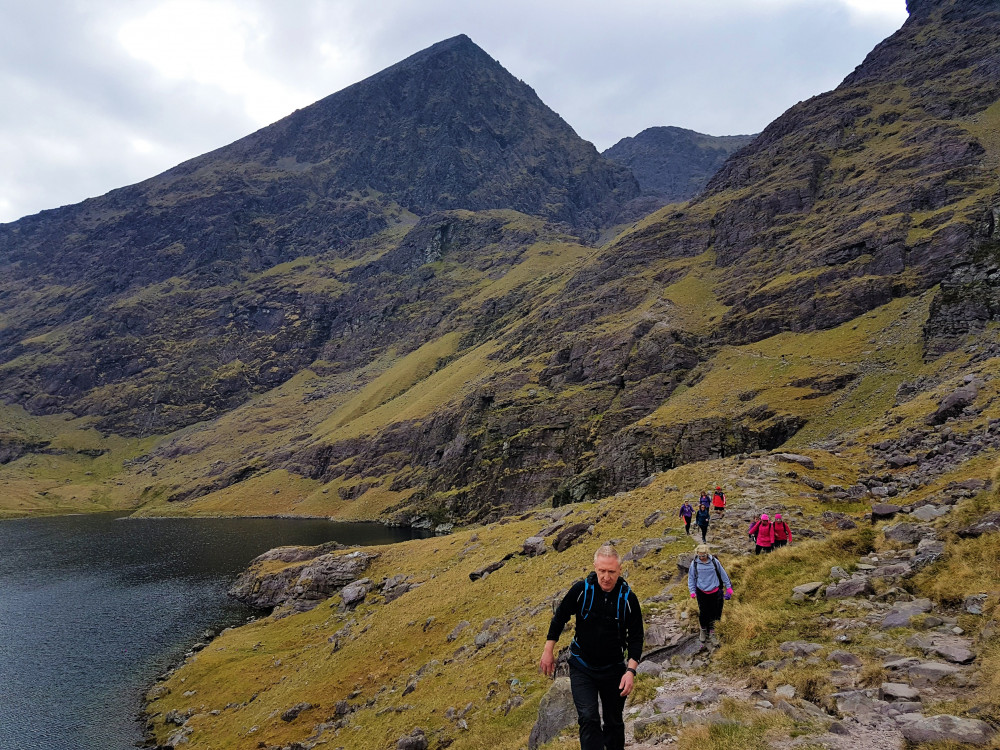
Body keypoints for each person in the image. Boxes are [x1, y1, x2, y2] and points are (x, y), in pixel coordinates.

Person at [540, 543, 643, 750]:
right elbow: (560, 617)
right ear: (595, 567)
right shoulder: (581, 591)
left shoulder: (628, 599)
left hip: (614, 669)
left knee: (614, 722)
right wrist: (548, 650)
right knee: (588, 718)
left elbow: (636, 637)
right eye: (602, 571)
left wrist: (630, 670)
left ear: (619, 570)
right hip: (582, 666)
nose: (606, 577)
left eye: (611, 572)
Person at [688, 544, 733, 646]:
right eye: (700, 556)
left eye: (703, 555)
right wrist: (692, 591)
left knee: (715, 613)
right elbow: (691, 578)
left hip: (715, 591)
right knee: (703, 612)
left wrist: (729, 588)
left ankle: (712, 632)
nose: (702, 557)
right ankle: (703, 629)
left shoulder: (714, 562)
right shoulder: (694, 564)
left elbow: (723, 574)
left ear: (707, 553)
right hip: (701, 591)